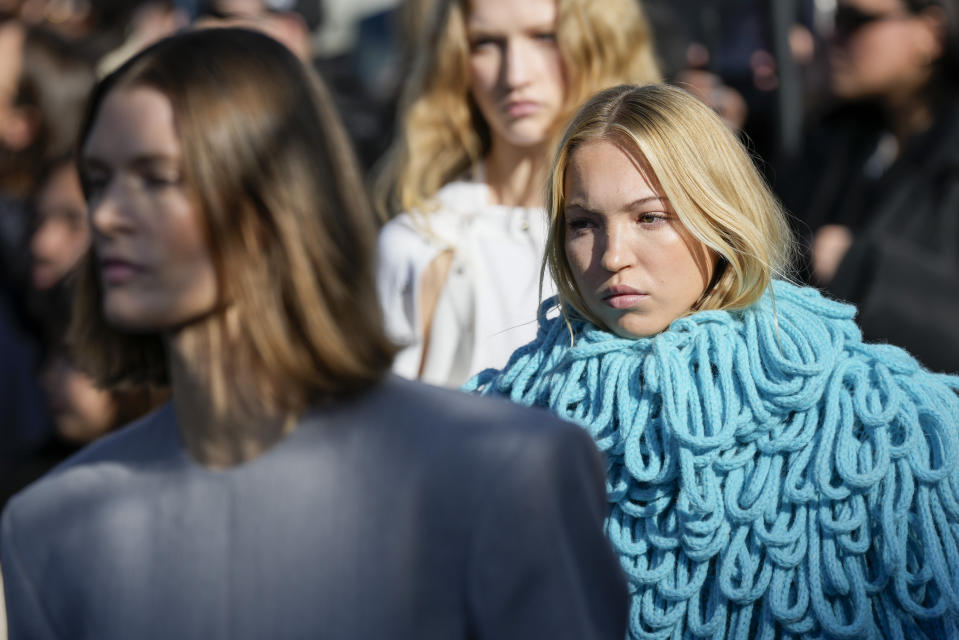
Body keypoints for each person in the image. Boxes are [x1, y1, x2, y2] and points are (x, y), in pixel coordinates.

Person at [0, 28, 629, 639]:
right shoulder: (52, 529)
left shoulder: (506, 473)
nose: (106, 215)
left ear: (272, 197)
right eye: (100, 180)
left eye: (157, 177)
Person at [467, 83, 959, 639]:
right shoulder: (500, 429)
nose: (612, 256)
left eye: (650, 217)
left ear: (718, 217)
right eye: (585, 223)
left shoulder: (884, 421)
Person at [375, 0, 661, 387]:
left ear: (600, 42)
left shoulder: (667, 223)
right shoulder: (418, 244)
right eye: (486, 43)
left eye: (544, 36)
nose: (516, 75)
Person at [778, 0, 959, 373]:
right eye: (833, 20)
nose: (834, 37)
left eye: (854, 21)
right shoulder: (838, 141)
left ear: (932, 33)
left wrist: (861, 267)